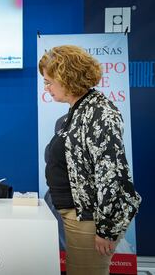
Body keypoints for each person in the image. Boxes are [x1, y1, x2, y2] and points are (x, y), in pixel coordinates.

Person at [39, 45, 141, 275]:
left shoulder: (98, 112)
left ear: (67, 77)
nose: (46, 88)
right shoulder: (77, 111)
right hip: (75, 214)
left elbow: (111, 174)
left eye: (48, 81)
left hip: (89, 219)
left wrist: (106, 230)